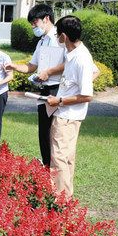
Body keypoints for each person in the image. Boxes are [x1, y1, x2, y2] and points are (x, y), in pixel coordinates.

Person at [5, 4, 65, 167]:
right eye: (31, 23)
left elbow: (69, 63)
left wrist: (49, 72)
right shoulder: (41, 42)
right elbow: (32, 66)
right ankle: (47, 165)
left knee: (54, 133)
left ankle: (54, 168)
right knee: (43, 132)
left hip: (56, 89)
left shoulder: (60, 38)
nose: (33, 26)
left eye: (34, 22)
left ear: (47, 19)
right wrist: (15, 66)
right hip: (43, 90)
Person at [45, 15, 97, 198]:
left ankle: (61, 201)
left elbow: (87, 95)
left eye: (58, 34)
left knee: (59, 158)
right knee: (66, 158)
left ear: (64, 36)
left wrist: (59, 101)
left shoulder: (81, 58)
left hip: (68, 116)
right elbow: (95, 72)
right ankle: (65, 198)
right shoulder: (74, 53)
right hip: (68, 114)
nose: (57, 38)